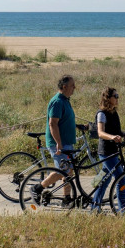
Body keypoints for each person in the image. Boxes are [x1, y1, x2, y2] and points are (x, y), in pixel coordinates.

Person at [30, 75, 77, 206]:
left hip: (66, 142)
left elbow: (65, 120)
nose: (74, 88)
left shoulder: (65, 100)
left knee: (69, 171)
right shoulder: (57, 101)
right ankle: (37, 188)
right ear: (64, 86)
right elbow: (53, 123)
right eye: (72, 85)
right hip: (59, 143)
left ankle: (67, 199)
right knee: (63, 171)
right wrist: (58, 143)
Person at [91, 87, 125, 211]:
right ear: (108, 98)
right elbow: (101, 133)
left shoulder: (114, 112)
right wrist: (113, 137)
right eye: (115, 96)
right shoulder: (102, 114)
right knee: (121, 178)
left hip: (113, 151)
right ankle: (124, 209)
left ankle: (94, 207)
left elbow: (114, 130)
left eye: (117, 95)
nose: (117, 98)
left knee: (103, 180)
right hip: (106, 152)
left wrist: (123, 134)